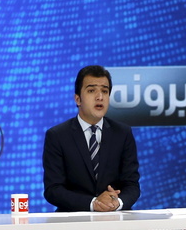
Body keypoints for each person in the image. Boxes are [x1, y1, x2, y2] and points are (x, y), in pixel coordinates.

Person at [42, 65, 141, 212]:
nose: (100, 97)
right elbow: (53, 189)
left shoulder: (122, 133)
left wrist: (117, 203)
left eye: (104, 91)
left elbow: (132, 185)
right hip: (73, 219)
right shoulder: (57, 136)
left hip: (115, 218)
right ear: (78, 99)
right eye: (91, 90)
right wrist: (93, 203)